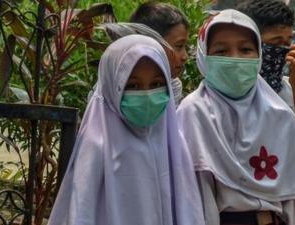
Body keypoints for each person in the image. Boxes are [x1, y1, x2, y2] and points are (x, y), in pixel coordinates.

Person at [177, 9, 295, 225]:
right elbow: (195, 196)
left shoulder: (280, 115)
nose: (234, 59)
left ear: (259, 55)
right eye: (221, 51)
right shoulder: (193, 113)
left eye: (245, 49)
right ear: (204, 55)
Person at [48, 35, 204, 225]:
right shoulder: (96, 147)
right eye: (133, 86)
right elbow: (82, 210)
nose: (146, 94)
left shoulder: (174, 143)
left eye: (156, 84)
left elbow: (188, 209)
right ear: (112, 88)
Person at [236, 0, 295, 155]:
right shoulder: (228, 90)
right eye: (275, 42)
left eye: (288, 42)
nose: (283, 50)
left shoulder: (292, 89)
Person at [130, 2, 189, 104]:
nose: (185, 56)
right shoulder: (123, 87)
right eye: (179, 46)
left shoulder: (174, 86)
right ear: (152, 44)